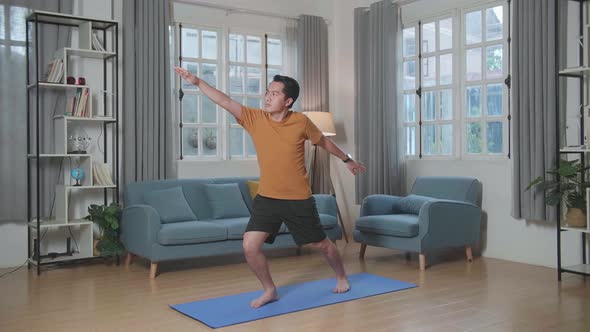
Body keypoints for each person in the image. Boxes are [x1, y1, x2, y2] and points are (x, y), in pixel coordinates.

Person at [174, 66, 366, 308]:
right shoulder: (255, 118)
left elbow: (323, 141)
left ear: (288, 101)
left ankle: (340, 275)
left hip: (298, 199)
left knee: (321, 245)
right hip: (267, 198)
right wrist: (196, 81)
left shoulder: (301, 122)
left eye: (274, 93)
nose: (267, 96)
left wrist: (347, 160)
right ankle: (270, 290)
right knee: (250, 246)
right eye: (267, 92)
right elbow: (224, 100)